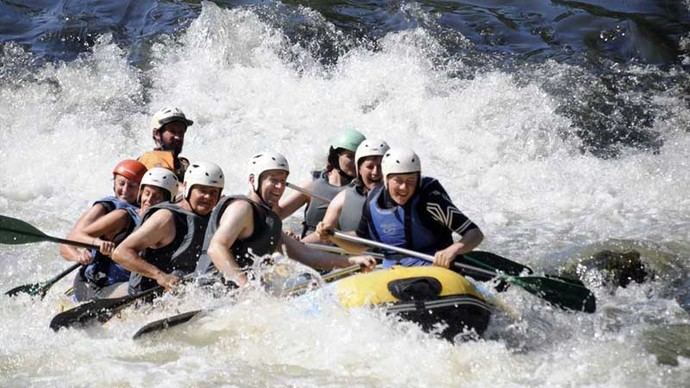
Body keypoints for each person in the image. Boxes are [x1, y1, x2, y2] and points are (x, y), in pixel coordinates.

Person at [196, 151, 377, 287]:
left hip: (239, 295)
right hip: (211, 292)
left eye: (283, 181)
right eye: (273, 180)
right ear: (253, 180)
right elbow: (216, 248)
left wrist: (351, 261)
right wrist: (246, 287)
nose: (279, 187)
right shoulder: (242, 208)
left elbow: (305, 254)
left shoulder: (269, 219)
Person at [318, 147, 484, 269]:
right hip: (394, 271)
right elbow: (362, 242)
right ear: (386, 179)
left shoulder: (430, 200)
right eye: (398, 180)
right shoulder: (373, 202)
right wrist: (333, 236)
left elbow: (474, 233)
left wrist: (453, 250)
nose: (404, 188)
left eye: (411, 181)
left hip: (435, 269)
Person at [112, 161, 224, 294]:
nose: (208, 197)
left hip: (186, 297)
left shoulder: (214, 221)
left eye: (213, 192)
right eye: (202, 190)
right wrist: (160, 276)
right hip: (146, 299)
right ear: (187, 187)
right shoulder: (166, 218)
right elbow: (121, 253)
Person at [69, 168, 179, 300]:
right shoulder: (123, 216)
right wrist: (98, 243)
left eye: (156, 197)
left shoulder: (167, 223)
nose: (149, 200)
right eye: (147, 193)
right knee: (145, 292)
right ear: (140, 194)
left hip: (130, 283)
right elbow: (76, 236)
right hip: (100, 286)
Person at [277, 128, 365, 238]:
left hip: (343, 250)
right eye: (350, 156)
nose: (355, 162)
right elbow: (278, 214)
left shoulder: (365, 191)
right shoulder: (312, 186)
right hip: (306, 250)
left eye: (358, 157)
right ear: (335, 157)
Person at [59, 159, 148, 265]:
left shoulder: (145, 207)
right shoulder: (104, 207)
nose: (125, 190)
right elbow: (67, 244)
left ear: (141, 189)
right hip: (99, 275)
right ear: (114, 183)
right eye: (121, 183)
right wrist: (79, 256)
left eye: (132, 186)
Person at [311, 138, 389, 240]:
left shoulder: (403, 197)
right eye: (370, 167)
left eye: (381, 167)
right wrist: (294, 243)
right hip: (355, 254)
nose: (375, 172)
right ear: (359, 169)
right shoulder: (342, 199)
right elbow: (322, 239)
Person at [138, 106, 194, 181]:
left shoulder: (182, 165)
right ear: (157, 134)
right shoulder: (151, 158)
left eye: (181, 132)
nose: (178, 137)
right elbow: (167, 184)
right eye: (172, 131)